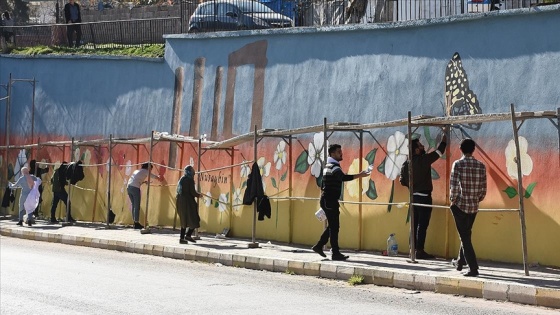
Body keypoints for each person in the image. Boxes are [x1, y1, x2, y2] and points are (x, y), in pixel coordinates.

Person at [311, 144, 370, 261]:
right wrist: (360, 175)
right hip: (329, 201)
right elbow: (343, 178)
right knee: (334, 227)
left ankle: (319, 246)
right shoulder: (333, 166)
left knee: (333, 226)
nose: (341, 154)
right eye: (338, 152)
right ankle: (335, 253)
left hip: (328, 200)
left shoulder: (329, 166)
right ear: (332, 154)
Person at [404, 132, 447, 259]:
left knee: (414, 224)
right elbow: (439, 152)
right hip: (424, 197)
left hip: (413, 197)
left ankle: (412, 249)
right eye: (421, 145)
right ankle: (419, 251)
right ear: (417, 150)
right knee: (422, 225)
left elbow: (402, 179)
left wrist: (412, 187)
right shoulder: (423, 160)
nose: (423, 146)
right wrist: (444, 140)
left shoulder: (406, 163)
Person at [450, 138, 486, 277]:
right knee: (466, 234)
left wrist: (453, 201)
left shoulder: (458, 164)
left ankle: (473, 268)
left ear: (460, 149)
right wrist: (477, 200)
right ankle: (460, 262)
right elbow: (484, 188)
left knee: (465, 237)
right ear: (473, 149)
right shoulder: (481, 166)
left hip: (460, 205)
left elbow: (453, 186)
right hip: (474, 206)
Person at [127, 163, 162, 229]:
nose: (150, 170)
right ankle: (136, 223)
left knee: (134, 205)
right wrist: (159, 177)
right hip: (135, 188)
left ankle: (135, 222)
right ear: (148, 168)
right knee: (137, 206)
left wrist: (143, 182)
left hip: (129, 187)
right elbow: (152, 176)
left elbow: (135, 180)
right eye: (151, 169)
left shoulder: (137, 171)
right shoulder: (145, 171)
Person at [176, 165, 202, 244]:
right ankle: (186, 236)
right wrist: (199, 195)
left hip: (180, 201)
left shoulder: (182, 179)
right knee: (194, 218)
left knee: (184, 219)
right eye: (192, 170)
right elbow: (192, 192)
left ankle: (184, 237)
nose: (194, 172)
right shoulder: (189, 180)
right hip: (187, 202)